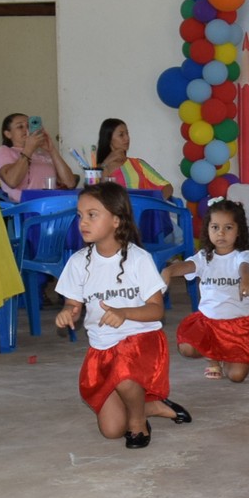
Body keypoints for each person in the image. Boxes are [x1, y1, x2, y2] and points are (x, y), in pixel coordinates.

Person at [54, 183, 191, 448]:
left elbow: (157, 309)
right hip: (102, 347)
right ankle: (150, 406)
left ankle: (138, 421)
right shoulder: (78, 262)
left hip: (139, 341)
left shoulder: (138, 259)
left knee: (125, 374)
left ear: (116, 220)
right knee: (112, 430)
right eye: (80, 215)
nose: (83, 222)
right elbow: (73, 303)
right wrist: (67, 312)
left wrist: (124, 313)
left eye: (92, 214)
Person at [167, 198, 249, 382]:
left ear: (239, 231)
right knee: (186, 347)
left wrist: (246, 280)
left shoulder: (243, 256)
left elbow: (245, 267)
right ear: (207, 230)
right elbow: (188, 266)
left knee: (236, 376)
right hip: (208, 324)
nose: (221, 233)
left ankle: (226, 355)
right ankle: (212, 358)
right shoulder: (203, 257)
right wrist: (169, 271)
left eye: (228, 227)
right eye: (215, 227)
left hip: (237, 327)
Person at [0, 112, 76, 202]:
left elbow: (70, 183)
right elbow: (12, 181)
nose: (26, 130)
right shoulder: (4, 151)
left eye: (29, 126)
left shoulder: (43, 155)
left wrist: (52, 150)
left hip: (50, 203)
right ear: (8, 134)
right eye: (20, 127)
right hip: (25, 206)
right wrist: (28, 149)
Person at [94, 118, 174, 195]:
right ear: (109, 139)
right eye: (121, 135)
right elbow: (97, 194)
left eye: (127, 133)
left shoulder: (138, 164)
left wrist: (154, 201)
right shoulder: (100, 168)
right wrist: (106, 163)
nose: (127, 138)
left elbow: (167, 187)